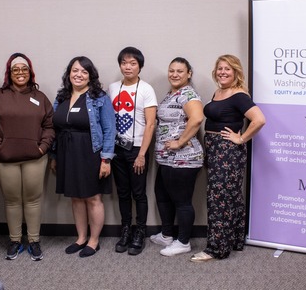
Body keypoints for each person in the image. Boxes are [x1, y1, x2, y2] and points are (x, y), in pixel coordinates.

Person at [190, 55, 266, 262]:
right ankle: (233, 240)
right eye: (220, 68)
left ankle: (216, 249)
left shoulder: (239, 95)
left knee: (219, 199)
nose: (223, 72)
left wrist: (241, 138)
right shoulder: (219, 92)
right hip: (215, 149)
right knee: (230, 196)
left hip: (227, 152)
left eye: (228, 69)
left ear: (236, 72)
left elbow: (259, 120)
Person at [0, 53, 54, 261]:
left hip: (35, 157)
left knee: (33, 200)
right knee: (13, 200)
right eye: (16, 69)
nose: (20, 73)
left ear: (30, 72)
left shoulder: (40, 97)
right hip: (4, 158)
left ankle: (33, 240)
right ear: (9, 72)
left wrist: (42, 148)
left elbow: (49, 127)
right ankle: (15, 241)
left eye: (24, 69)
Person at [51, 56, 116, 258]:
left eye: (84, 72)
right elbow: (55, 128)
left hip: (91, 153)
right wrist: (54, 156)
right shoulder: (61, 97)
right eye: (75, 70)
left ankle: (94, 241)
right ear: (68, 73)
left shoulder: (99, 98)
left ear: (90, 76)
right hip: (66, 153)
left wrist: (106, 159)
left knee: (93, 198)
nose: (78, 75)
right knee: (76, 198)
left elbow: (109, 129)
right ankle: (81, 237)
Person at [150, 57, 204, 257]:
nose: (174, 74)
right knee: (162, 196)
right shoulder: (171, 94)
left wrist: (180, 142)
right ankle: (167, 235)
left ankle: (183, 242)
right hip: (166, 159)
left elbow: (197, 118)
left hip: (183, 159)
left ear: (189, 73)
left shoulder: (188, 94)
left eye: (180, 71)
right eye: (171, 70)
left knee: (182, 201)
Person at [107, 47, 157, 255]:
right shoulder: (112, 88)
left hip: (137, 148)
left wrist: (142, 155)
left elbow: (150, 124)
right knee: (123, 192)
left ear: (140, 66)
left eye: (133, 63)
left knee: (139, 193)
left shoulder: (146, 89)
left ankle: (140, 232)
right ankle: (126, 230)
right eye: (124, 63)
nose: (128, 67)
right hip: (116, 148)